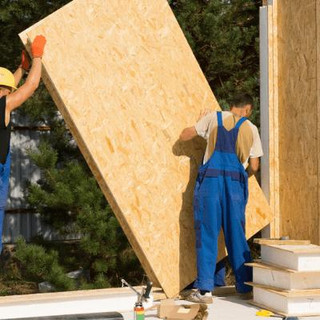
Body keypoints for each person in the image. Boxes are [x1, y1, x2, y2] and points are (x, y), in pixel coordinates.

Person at [179, 94, 263, 304]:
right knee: (236, 234)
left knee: (207, 233)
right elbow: (254, 166)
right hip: (234, 185)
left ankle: (205, 291)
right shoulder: (251, 128)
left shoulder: (212, 119)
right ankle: (244, 287)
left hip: (211, 184)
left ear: (231, 105)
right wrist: (241, 176)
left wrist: (199, 123)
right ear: (248, 109)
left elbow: (184, 136)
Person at [0, 35, 46, 254]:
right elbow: (31, 86)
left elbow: (11, 87)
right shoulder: (4, 105)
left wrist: (22, 67)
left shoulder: (3, 101)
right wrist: (37, 57)